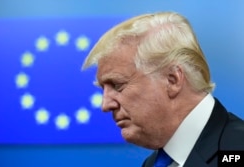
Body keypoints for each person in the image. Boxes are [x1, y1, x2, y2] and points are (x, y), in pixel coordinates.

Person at [82, 12, 244, 166]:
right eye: (103, 89)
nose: (105, 105)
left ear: (172, 80)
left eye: (117, 85)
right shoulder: (153, 163)